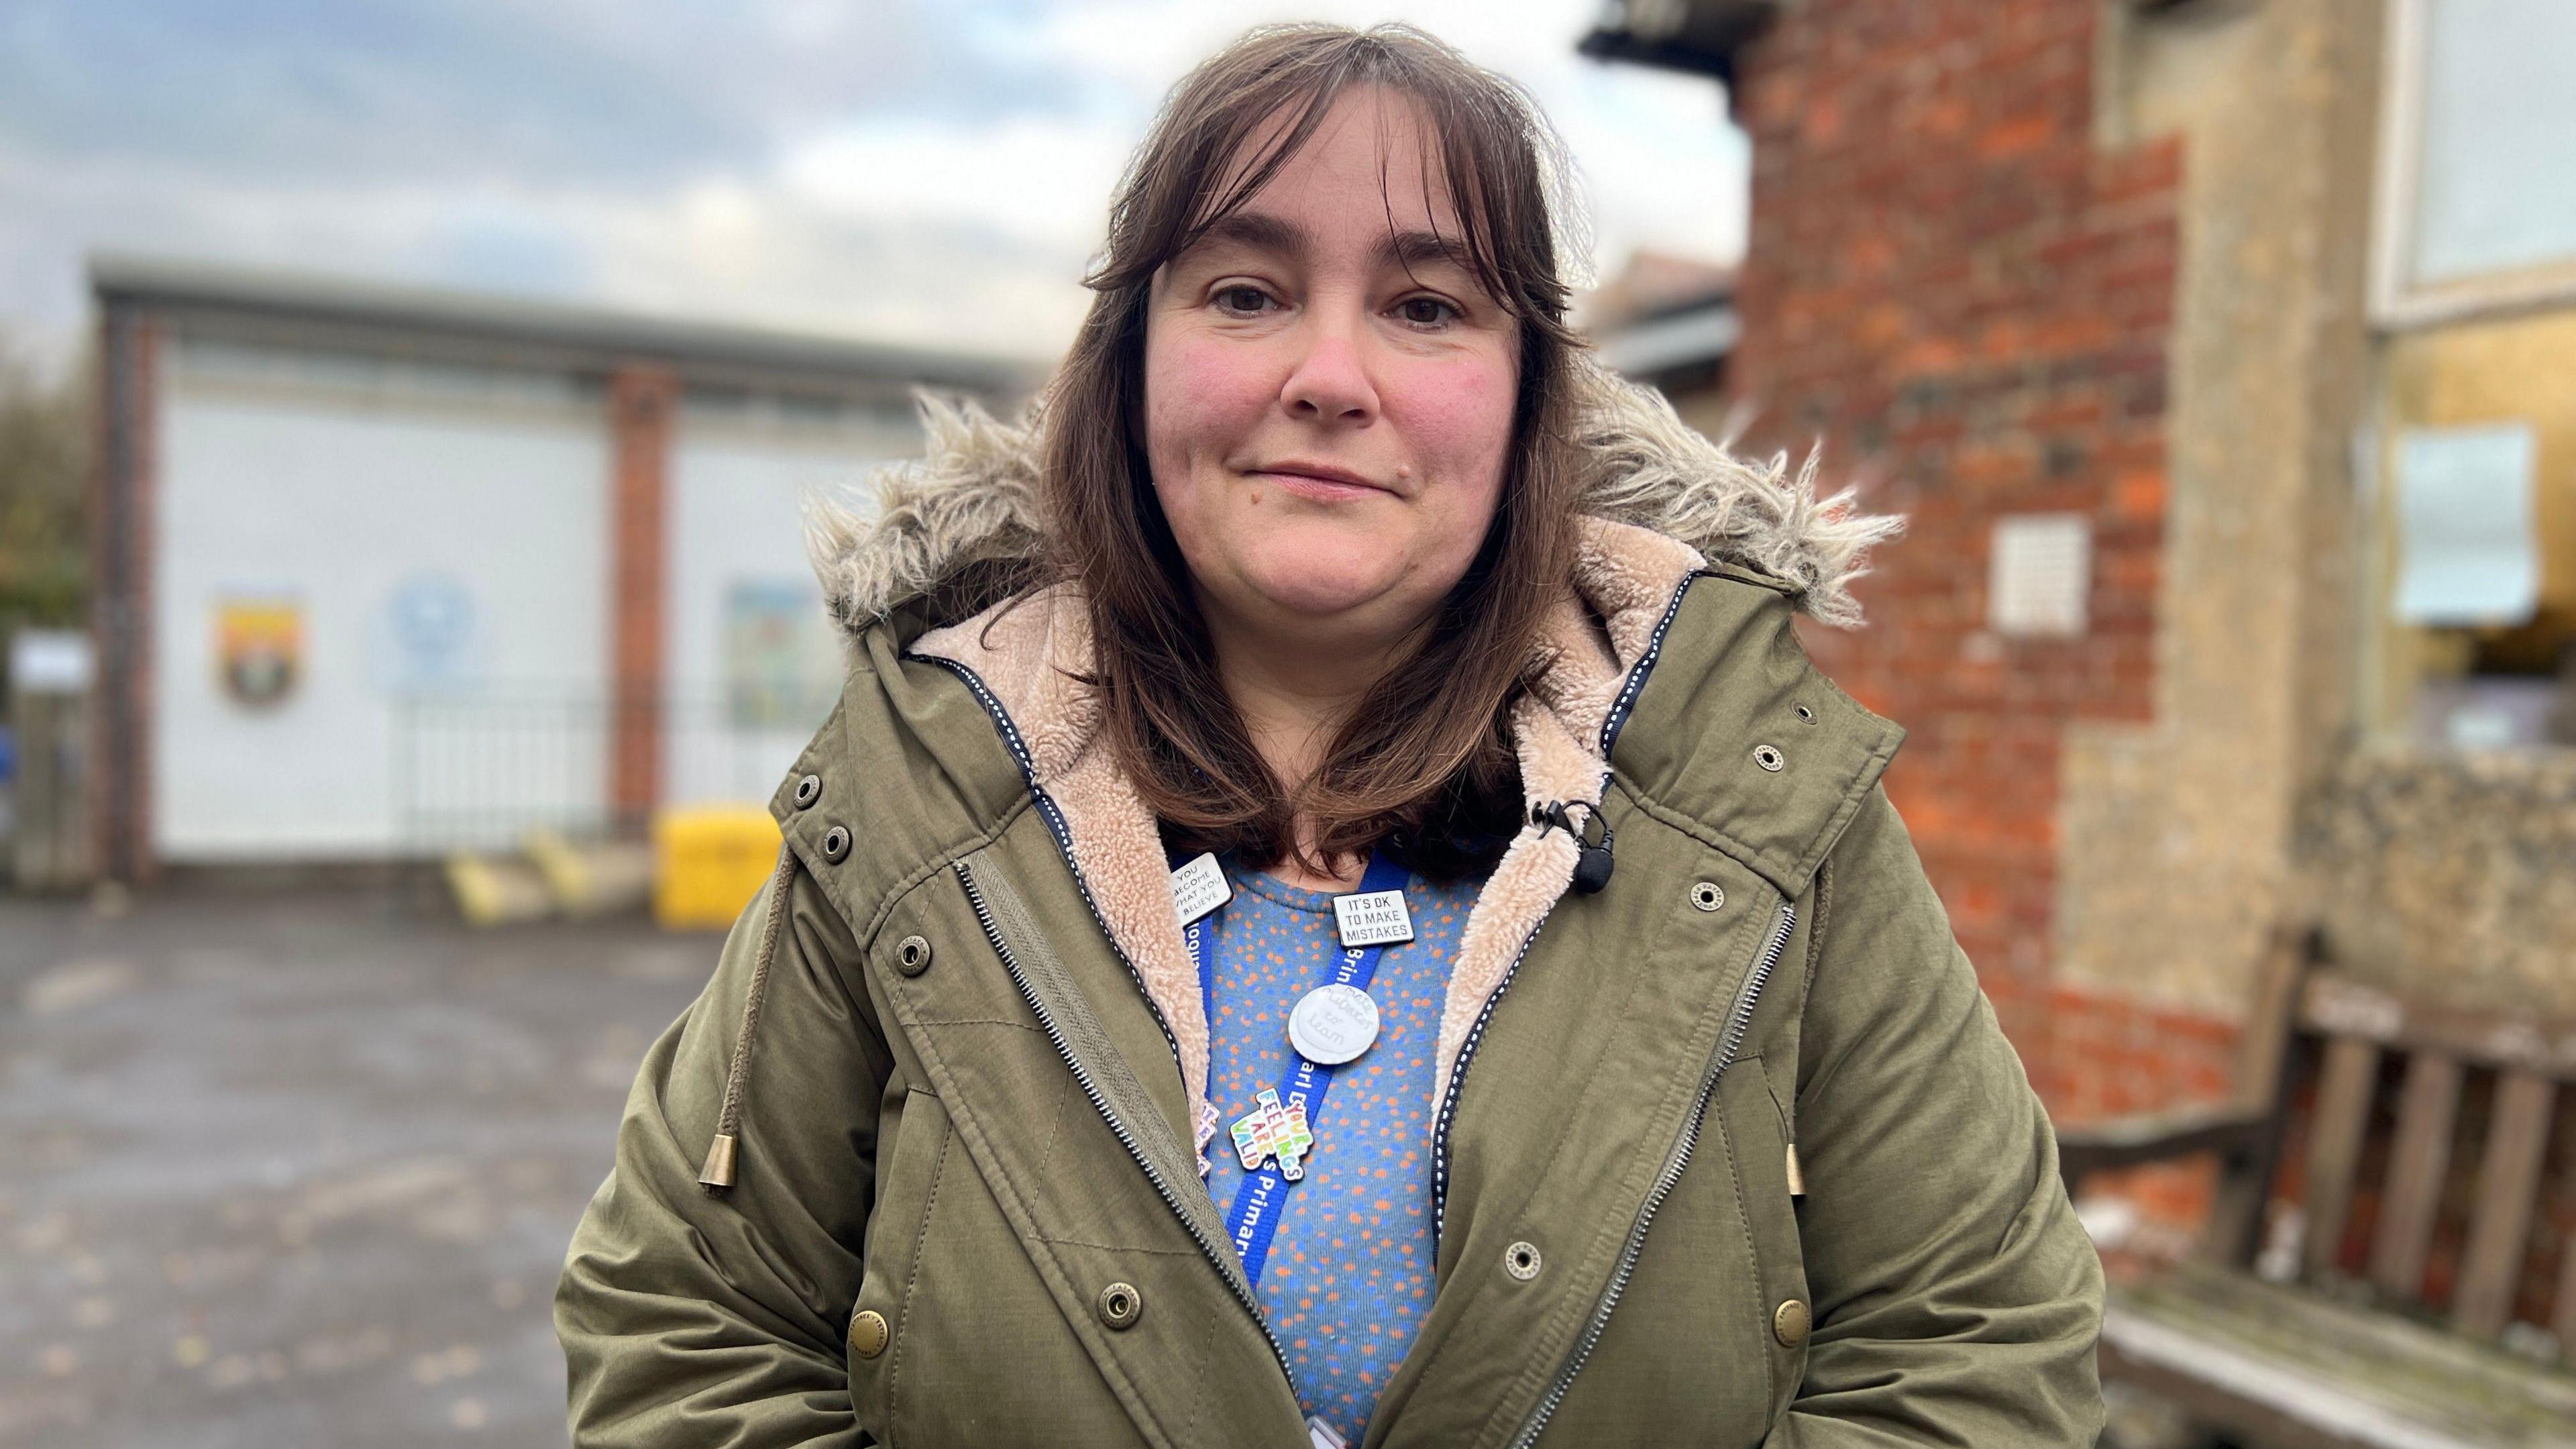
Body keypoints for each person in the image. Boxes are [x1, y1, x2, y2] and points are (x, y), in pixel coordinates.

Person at [556, 22, 2104, 1449]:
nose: (1330, 377)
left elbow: (1978, 1344)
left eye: (1428, 306)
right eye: (1246, 290)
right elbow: (686, 1333)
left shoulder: (1756, 802)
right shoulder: (926, 792)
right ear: (1131, 363)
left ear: (1525, 403)